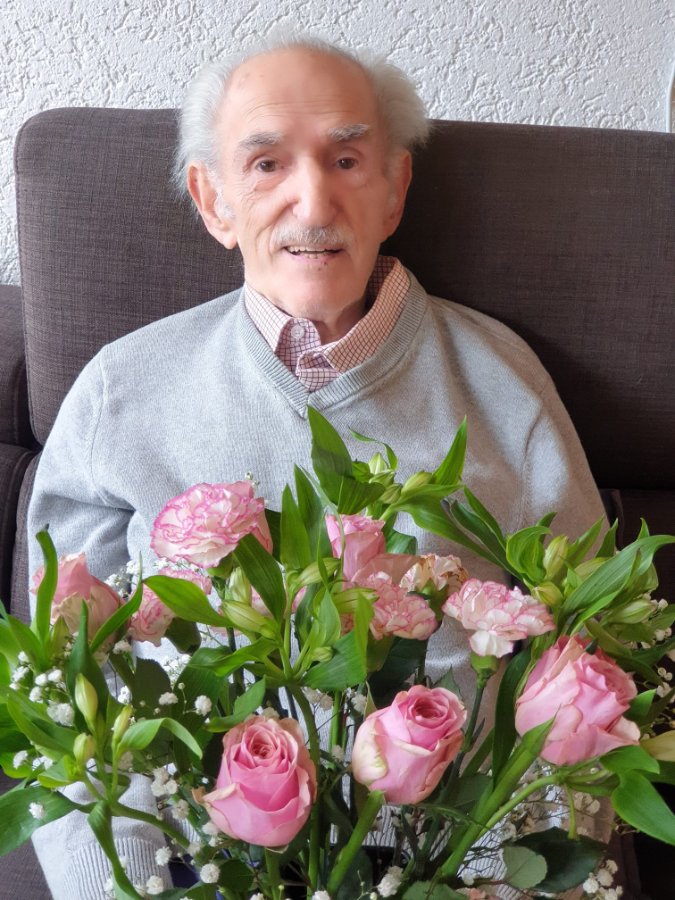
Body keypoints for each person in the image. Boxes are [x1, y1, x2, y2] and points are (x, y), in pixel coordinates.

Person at [27, 36, 605, 899]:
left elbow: (586, 670)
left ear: (394, 189)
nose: (312, 199)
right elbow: (68, 694)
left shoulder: (501, 383)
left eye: (345, 159)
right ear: (214, 200)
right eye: (266, 164)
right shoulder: (122, 390)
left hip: (457, 871)